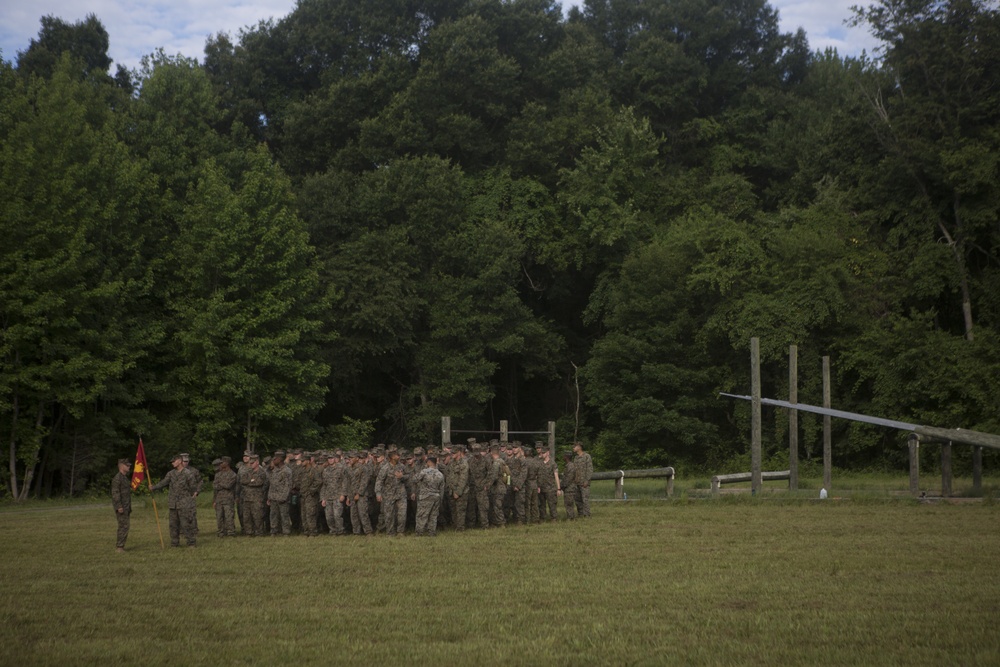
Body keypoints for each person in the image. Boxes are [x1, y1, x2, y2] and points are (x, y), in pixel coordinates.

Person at [150, 453, 199, 547]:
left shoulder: (188, 474)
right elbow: (164, 482)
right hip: (173, 504)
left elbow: (193, 487)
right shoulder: (171, 473)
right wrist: (154, 487)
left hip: (184, 503)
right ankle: (175, 543)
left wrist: (192, 496)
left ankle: (191, 542)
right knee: (173, 525)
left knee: (186, 524)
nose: (172, 463)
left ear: (180, 461)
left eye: (174, 461)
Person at [414, 456, 445, 536]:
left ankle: (419, 532)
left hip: (425, 496)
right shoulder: (440, 474)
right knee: (433, 516)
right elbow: (442, 488)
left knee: (422, 515)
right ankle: (432, 532)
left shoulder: (424, 472)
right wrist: (440, 499)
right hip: (436, 496)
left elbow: (415, 479)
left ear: (429, 462)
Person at [238, 453, 267, 536]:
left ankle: (259, 532)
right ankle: (249, 532)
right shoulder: (247, 471)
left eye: (252, 463)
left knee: (257, 516)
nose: (250, 465)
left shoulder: (261, 472)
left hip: (257, 498)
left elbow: (259, 482)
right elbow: (242, 481)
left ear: (257, 462)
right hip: (247, 497)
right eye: (250, 463)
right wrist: (251, 481)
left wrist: (249, 482)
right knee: (247, 517)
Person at [268, 451, 293, 536]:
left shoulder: (286, 471)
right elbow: (272, 484)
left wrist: (283, 497)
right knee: (273, 515)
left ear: (280, 459)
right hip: (273, 497)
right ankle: (274, 531)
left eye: (275, 458)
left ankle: (286, 532)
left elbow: (288, 486)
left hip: (282, 498)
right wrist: (269, 497)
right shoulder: (274, 470)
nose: (274, 460)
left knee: (284, 516)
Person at [212, 457, 238, 537]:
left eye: (222, 462)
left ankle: (231, 532)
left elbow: (228, 485)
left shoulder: (233, 474)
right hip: (219, 499)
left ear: (227, 463)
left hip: (228, 498)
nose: (221, 464)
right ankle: (221, 532)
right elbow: (214, 486)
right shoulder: (218, 474)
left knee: (229, 516)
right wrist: (214, 500)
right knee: (219, 517)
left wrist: (220, 484)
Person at [111, 458, 132, 552]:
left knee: (125, 526)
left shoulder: (124, 478)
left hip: (126, 506)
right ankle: (119, 547)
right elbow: (115, 493)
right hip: (122, 507)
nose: (129, 467)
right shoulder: (117, 478)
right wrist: (119, 506)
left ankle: (121, 546)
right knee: (123, 526)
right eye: (127, 465)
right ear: (122, 466)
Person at [573, 441, 593, 517]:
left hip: (584, 482)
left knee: (585, 499)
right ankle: (580, 513)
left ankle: (587, 514)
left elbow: (590, 469)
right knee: (577, 499)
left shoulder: (587, 456)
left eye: (575, 446)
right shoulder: (576, 458)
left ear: (579, 447)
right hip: (577, 482)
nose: (573, 448)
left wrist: (587, 480)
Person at [561, 451, 579, 520]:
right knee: (568, 503)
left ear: (566, 457)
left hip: (570, 488)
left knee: (569, 503)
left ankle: (571, 517)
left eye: (564, 456)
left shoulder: (570, 466)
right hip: (569, 488)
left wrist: (562, 486)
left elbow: (569, 479)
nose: (563, 457)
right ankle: (571, 517)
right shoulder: (569, 465)